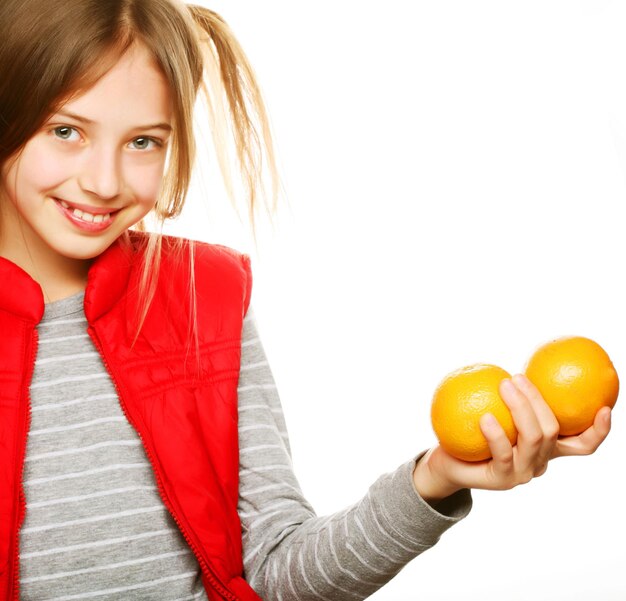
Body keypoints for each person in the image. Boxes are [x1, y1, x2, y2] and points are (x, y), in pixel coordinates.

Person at [0, 1, 612, 600]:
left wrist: (437, 478)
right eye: (66, 131)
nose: (105, 181)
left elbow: (274, 571)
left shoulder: (202, 298)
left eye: (144, 142)